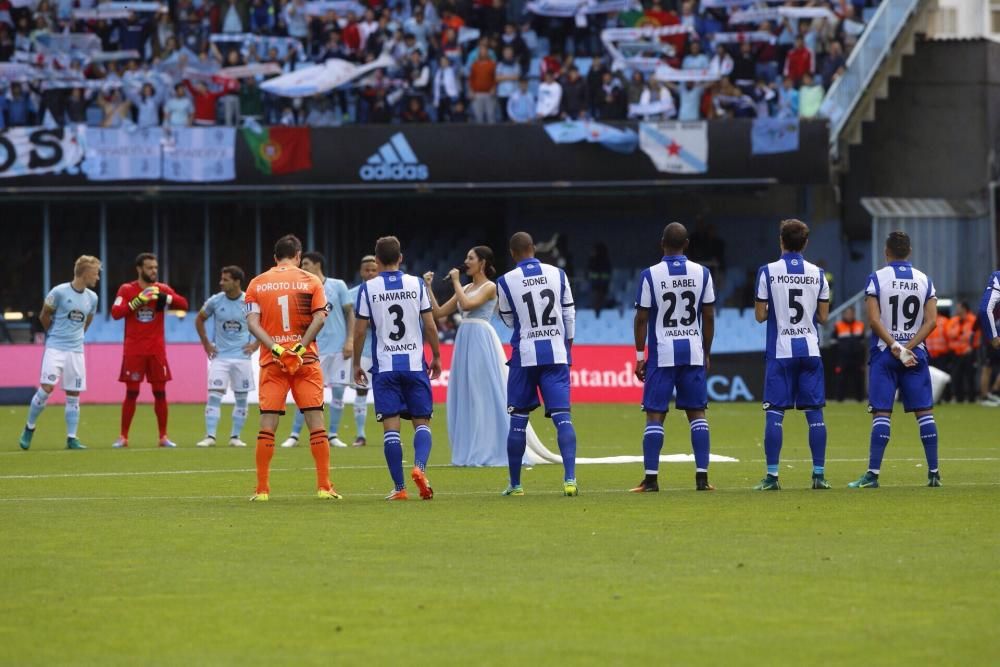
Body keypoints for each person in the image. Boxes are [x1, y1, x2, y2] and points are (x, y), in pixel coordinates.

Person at [244, 234, 341, 502]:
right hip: (305, 361)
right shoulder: (311, 281)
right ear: (298, 256)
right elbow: (320, 318)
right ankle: (324, 487)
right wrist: (298, 348)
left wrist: (276, 349)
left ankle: (262, 490)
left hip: (272, 361)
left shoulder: (257, 283)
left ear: (274, 257)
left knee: (267, 424)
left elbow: (252, 323)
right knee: (316, 423)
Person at [848, 231, 941, 489]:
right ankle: (934, 473)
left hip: (885, 353)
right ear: (909, 251)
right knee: (924, 413)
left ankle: (872, 475)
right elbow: (932, 321)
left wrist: (895, 347)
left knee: (882, 413)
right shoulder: (924, 280)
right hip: (915, 354)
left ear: (886, 252)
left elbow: (874, 320)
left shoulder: (877, 278)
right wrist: (908, 347)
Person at [353, 236, 441, 501]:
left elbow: (359, 331)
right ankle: (420, 468)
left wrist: (356, 362)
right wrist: (436, 355)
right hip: (415, 365)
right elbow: (430, 325)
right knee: (421, 423)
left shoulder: (367, 288)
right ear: (400, 258)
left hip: (385, 367)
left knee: (391, 429)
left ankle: (400, 488)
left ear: (377, 261)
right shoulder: (416, 284)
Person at [631, 223, 716, 492]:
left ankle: (651, 480)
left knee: (655, 415)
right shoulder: (702, 273)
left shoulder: (650, 275)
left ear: (661, 243)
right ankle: (702, 479)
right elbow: (709, 315)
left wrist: (640, 356)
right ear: (687, 244)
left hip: (662, 353)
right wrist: (706, 351)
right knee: (697, 414)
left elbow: (642, 318)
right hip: (692, 350)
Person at [496, 232, 578, 496]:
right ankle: (570, 480)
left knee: (518, 421)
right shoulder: (558, 274)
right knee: (562, 418)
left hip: (525, 355)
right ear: (534, 248)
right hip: (556, 354)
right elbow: (569, 313)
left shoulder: (505, 281)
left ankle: (516, 485)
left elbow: (509, 320)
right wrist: (567, 345)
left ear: (512, 253)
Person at [753, 219, 831, 490]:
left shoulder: (767, 272)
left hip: (781, 351)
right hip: (810, 349)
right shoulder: (819, 274)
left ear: (781, 241)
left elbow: (761, 316)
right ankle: (818, 475)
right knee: (815, 414)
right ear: (806, 243)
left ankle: (772, 477)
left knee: (775, 413)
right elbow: (823, 317)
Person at [423, 246, 507, 466]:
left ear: (483, 263)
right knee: (467, 392)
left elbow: (469, 304)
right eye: (466, 257)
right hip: (465, 338)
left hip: (481, 336)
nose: (466, 261)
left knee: (481, 391)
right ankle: (471, 447)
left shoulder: (490, 287)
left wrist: (456, 282)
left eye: (471, 258)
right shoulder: (467, 286)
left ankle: (487, 448)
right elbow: (439, 312)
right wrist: (428, 287)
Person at [18, 256, 101, 451]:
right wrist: (54, 335)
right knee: (46, 388)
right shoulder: (59, 292)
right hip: (55, 348)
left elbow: (87, 321)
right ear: (85, 272)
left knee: (74, 393)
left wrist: (77, 337)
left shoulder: (93, 298)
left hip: (76, 351)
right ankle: (29, 428)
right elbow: (44, 314)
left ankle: (71, 438)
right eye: (95, 272)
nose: (97, 277)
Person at [110, 253, 190, 448]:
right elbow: (116, 313)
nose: (153, 271)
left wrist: (165, 298)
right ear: (139, 269)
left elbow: (184, 305)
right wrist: (137, 301)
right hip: (134, 350)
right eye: (149, 268)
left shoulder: (161, 289)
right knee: (132, 393)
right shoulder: (127, 289)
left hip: (156, 351)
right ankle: (123, 437)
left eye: (155, 267)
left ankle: (163, 437)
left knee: (160, 393)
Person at [280, 252, 354, 449]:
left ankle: (333, 435)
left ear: (317, 264)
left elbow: (350, 314)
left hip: (339, 349)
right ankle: (294, 435)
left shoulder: (338, 285)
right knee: (307, 393)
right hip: (313, 349)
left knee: (338, 391)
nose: (302, 267)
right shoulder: (301, 289)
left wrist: (350, 340)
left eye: (305, 263)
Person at [194, 266, 258, 448]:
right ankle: (210, 436)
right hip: (220, 357)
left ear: (237, 282)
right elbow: (199, 319)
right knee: (214, 396)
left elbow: (265, 323)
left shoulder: (248, 301)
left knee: (241, 398)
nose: (221, 282)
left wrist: (255, 344)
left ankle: (235, 437)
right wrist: (206, 343)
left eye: (226, 279)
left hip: (242, 357)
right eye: (221, 279)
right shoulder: (215, 301)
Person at [346, 255, 379, 446]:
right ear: (361, 271)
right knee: (361, 391)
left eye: (374, 269)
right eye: (367, 269)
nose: (370, 273)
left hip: (385, 350)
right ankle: (360, 434)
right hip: (364, 350)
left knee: (389, 392)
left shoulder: (385, 293)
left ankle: (391, 434)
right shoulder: (352, 295)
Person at [946, 301, 979, 403]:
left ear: (964, 308)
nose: (957, 310)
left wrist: (972, 347)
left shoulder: (973, 320)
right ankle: (959, 398)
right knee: (957, 376)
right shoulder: (953, 320)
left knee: (970, 376)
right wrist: (958, 333)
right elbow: (948, 333)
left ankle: (971, 398)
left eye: (959, 307)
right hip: (956, 353)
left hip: (969, 352)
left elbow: (977, 336)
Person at [833, 305, 865, 401]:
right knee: (841, 379)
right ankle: (839, 399)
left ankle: (860, 399)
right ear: (844, 315)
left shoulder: (860, 325)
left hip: (857, 357)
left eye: (851, 313)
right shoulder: (838, 326)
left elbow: (863, 344)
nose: (849, 315)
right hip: (843, 358)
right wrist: (836, 360)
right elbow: (833, 344)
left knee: (858, 379)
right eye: (847, 313)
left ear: (854, 314)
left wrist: (862, 361)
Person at [978, 270, 1000, 405]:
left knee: (987, 368)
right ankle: (991, 393)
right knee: (988, 367)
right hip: (993, 336)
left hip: (992, 336)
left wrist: (992, 336)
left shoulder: (997, 278)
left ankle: (989, 394)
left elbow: (983, 311)